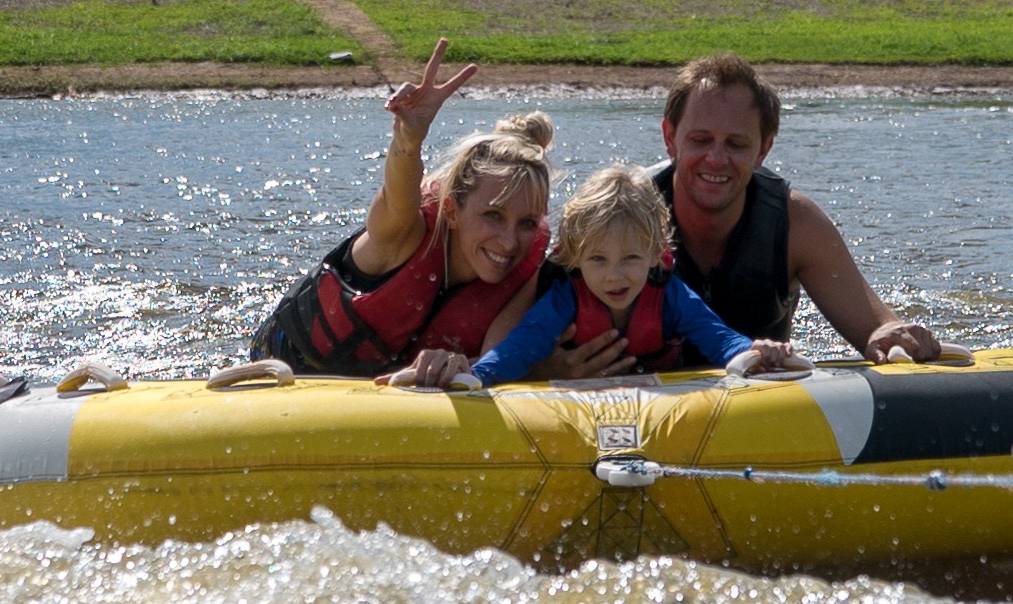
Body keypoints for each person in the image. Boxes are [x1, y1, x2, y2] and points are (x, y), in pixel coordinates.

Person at [542, 54, 938, 378]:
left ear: (763, 149)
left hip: (754, 412)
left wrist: (891, 334)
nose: (716, 159)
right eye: (700, 140)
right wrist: (545, 369)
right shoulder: (609, 213)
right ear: (669, 137)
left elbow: (873, 327)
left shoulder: (796, 223)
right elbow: (512, 328)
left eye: (736, 144)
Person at [250, 41, 551, 388]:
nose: (510, 241)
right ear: (451, 210)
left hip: (382, 390)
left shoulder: (530, 270)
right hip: (290, 364)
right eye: (493, 215)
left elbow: (496, 359)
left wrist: (457, 365)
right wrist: (409, 138)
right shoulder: (404, 232)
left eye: (527, 223)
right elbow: (398, 196)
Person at [472, 166, 808, 384]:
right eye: (598, 259)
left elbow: (719, 339)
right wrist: (475, 377)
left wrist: (758, 354)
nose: (613, 276)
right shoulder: (565, 299)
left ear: (656, 254)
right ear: (575, 258)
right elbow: (519, 348)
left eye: (631, 257)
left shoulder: (672, 297)